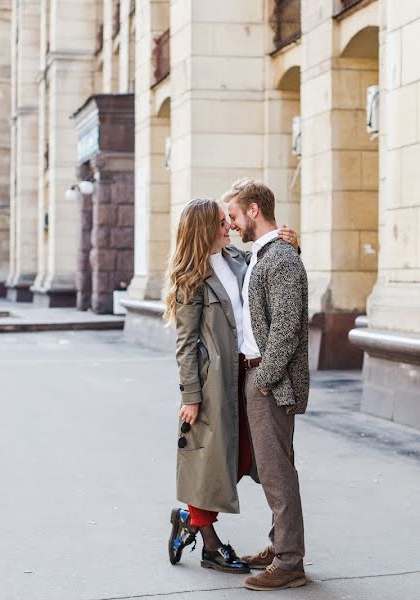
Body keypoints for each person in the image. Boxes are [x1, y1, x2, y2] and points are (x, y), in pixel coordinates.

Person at [164, 197, 298, 574]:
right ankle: (209, 545)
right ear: (204, 229)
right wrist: (190, 395)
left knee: (239, 458)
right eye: (222, 223)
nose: (230, 228)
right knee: (210, 461)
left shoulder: (238, 260)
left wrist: (289, 244)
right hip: (211, 384)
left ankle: (191, 519)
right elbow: (185, 343)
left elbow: (272, 277)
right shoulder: (191, 277)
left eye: (229, 221)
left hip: (246, 373)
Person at [224, 178, 310, 592]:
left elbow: (287, 328)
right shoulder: (267, 253)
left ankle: (290, 562)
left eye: (236, 215)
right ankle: (280, 546)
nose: (233, 224)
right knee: (272, 468)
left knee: (277, 472)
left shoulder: (281, 259)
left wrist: (265, 380)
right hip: (256, 373)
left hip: (268, 378)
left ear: (254, 210)